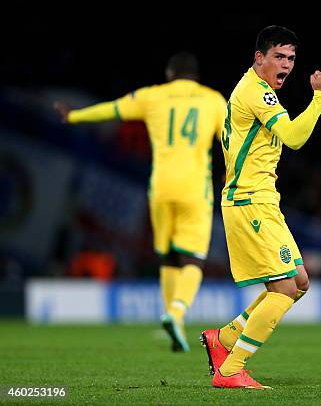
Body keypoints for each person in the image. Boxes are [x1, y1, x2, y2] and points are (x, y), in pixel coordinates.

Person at [55, 52, 226, 353]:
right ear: (195, 76)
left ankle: (177, 324)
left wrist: (74, 115)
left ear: (170, 73)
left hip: (160, 188)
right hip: (194, 188)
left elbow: (114, 109)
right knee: (193, 260)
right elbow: (231, 141)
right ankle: (176, 313)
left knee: (168, 256)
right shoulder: (213, 100)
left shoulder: (152, 96)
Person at [200, 25, 321, 389]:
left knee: (299, 282)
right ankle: (231, 368)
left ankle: (225, 339)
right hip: (249, 201)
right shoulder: (256, 92)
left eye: (291, 58)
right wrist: (320, 97)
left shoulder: (258, 90)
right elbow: (294, 138)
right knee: (286, 289)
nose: (286, 64)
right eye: (279, 56)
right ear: (259, 58)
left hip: (261, 201)